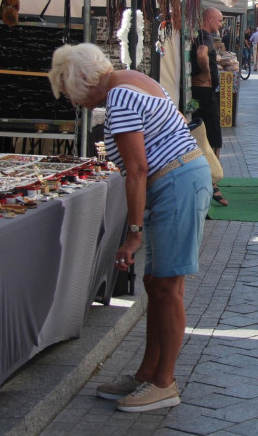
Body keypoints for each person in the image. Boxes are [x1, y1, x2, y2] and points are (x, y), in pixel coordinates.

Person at [48, 44, 210, 413]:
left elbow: (136, 169)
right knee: (158, 284)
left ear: (82, 81)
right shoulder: (135, 80)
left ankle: (163, 382)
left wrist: (134, 233)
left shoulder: (118, 97)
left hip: (175, 183)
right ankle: (148, 374)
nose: (78, 104)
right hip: (179, 180)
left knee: (167, 287)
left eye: (72, 93)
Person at [191, 7, 228, 206]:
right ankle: (212, 181)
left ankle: (208, 180)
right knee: (213, 137)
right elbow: (202, 55)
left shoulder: (199, 35)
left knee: (203, 134)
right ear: (210, 19)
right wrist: (206, 73)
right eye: (220, 20)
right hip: (205, 93)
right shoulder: (204, 36)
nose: (221, 24)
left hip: (201, 92)